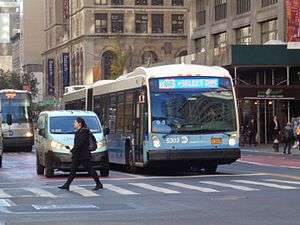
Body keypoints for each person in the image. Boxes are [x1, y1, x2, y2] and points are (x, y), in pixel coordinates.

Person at [59, 117, 103, 191]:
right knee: (73, 170)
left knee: (89, 169)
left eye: (75, 122)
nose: (74, 124)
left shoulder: (83, 132)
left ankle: (99, 184)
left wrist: (73, 150)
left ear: (80, 124)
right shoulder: (79, 132)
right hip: (79, 155)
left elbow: (80, 144)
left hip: (83, 155)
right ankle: (67, 185)